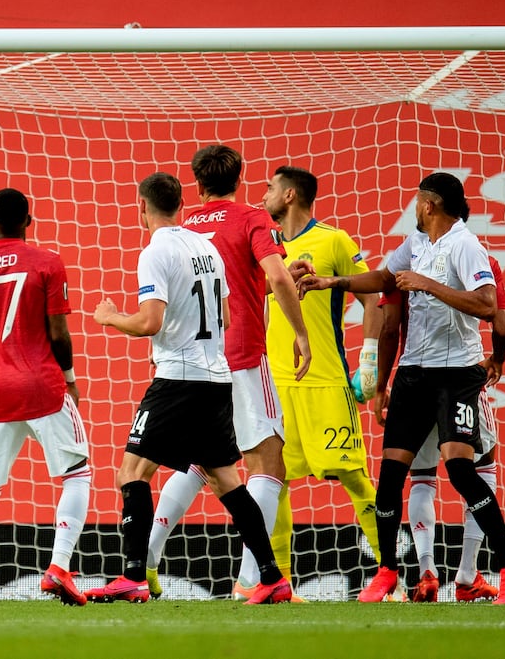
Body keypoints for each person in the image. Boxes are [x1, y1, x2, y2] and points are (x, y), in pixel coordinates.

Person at [298, 172, 505, 605]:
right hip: (413, 374)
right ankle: (388, 571)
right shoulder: (416, 244)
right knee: (390, 478)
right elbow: (383, 278)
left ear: (430, 205)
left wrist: (428, 285)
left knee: (461, 471)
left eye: (418, 201)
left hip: (456, 374)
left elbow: (487, 305)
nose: (415, 208)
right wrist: (333, 283)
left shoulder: (465, 246)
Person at [88, 171, 292, 605]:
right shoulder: (206, 248)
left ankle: (133, 576)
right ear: (182, 205)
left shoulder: (155, 251)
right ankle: (271, 576)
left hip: (177, 380)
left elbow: (149, 322)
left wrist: (109, 317)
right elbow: (227, 317)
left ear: (141, 207)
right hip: (216, 378)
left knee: (132, 473)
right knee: (225, 479)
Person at [143, 145, 311, 601]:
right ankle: (251, 581)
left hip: (194, 361)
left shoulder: (184, 227)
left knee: (202, 461)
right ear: (240, 178)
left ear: (197, 185)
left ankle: (147, 558)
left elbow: (231, 282)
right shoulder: (253, 218)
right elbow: (276, 277)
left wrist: (270, 279)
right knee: (267, 463)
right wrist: (300, 333)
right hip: (243, 355)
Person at [0, 188, 91, 607]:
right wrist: (70, 379)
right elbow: (59, 333)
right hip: (43, 388)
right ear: (28, 220)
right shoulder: (48, 262)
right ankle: (59, 566)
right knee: (77, 475)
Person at [375, 209, 505, 603]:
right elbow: (501, 325)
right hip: (458, 379)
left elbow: (389, 327)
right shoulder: (482, 261)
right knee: (479, 467)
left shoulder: (408, 263)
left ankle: (426, 573)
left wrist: (380, 384)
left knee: (419, 475)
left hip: (414, 381)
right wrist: (497, 358)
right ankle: (467, 574)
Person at [261, 166, 384, 591]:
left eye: (270, 188)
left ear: (290, 195)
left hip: (326, 380)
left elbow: (374, 300)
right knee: (275, 480)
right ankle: (280, 583)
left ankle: (389, 577)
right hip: (277, 384)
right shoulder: (265, 246)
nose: (264, 195)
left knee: (354, 476)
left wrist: (369, 359)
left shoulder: (334, 240)